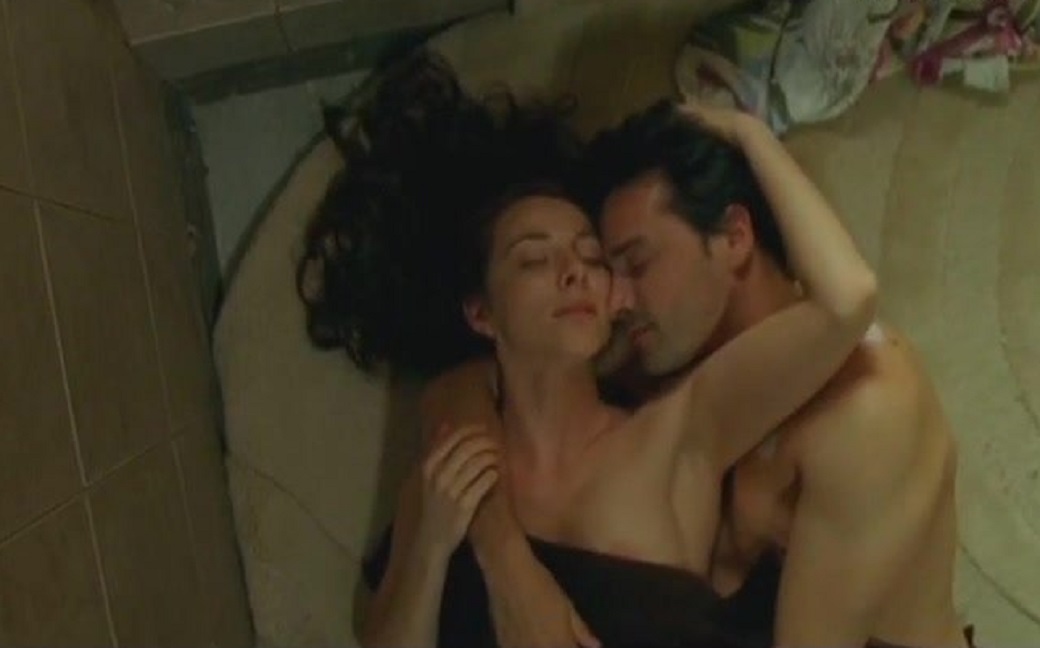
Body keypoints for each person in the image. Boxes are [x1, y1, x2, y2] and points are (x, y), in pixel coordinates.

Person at [298, 52, 876, 648]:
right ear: (481, 314)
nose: (574, 271)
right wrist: (436, 550)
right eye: (533, 259)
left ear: (612, 298)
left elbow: (849, 298)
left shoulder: (678, 431)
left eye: (593, 258)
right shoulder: (451, 470)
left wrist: (746, 132)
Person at [426, 100, 968, 647]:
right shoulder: (668, 350)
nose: (618, 299)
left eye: (638, 264)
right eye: (606, 269)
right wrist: (508, 565)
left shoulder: (867, 410)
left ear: (733, 237)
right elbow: (460, 388)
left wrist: (749, 133)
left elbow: (850, 296)